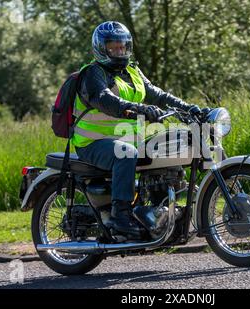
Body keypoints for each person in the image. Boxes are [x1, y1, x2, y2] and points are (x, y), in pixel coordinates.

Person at [73, 21, 200, 238]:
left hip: (127, 140)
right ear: (101, 48)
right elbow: (106, 101)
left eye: (123, 46)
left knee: (166, 147)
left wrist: (190, 108)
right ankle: (120, 216)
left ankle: (160, 208)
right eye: (113, 47)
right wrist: (141, 109)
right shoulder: (92, 74)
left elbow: (159, 95)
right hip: (92, 143)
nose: (119, 51)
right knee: (126, 154)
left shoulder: (132, 71)